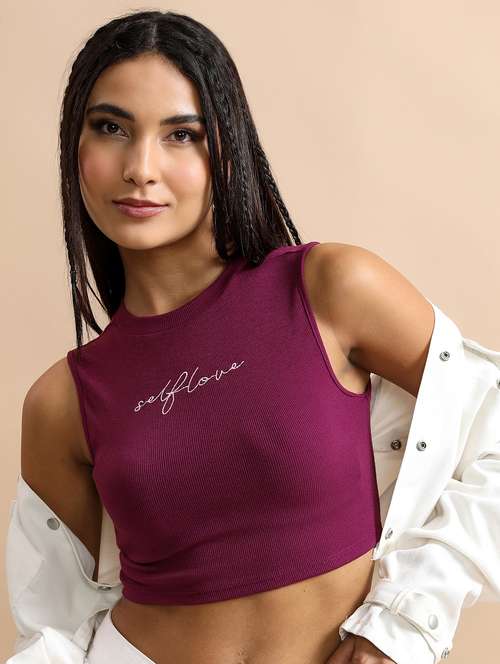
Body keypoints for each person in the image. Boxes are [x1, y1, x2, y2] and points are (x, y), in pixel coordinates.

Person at [13, 9, 499, 664]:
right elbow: (55, 622)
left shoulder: (329, 290)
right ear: (75, 147)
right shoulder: (61, 402)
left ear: (226, 148)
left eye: (181, 135)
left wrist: (402, 626)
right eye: (111, 128)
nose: (140, 167)